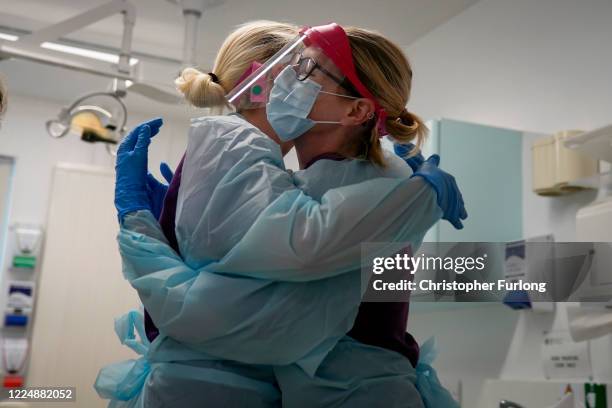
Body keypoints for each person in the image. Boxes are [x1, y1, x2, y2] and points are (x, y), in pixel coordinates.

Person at [98, 21, 463, 407]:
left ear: (357, 110)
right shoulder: (312, 184)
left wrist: (140, 226)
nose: (290, 79)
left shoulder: (372, 186)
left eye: (305, 69)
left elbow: (248, 301)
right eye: (292, 66)